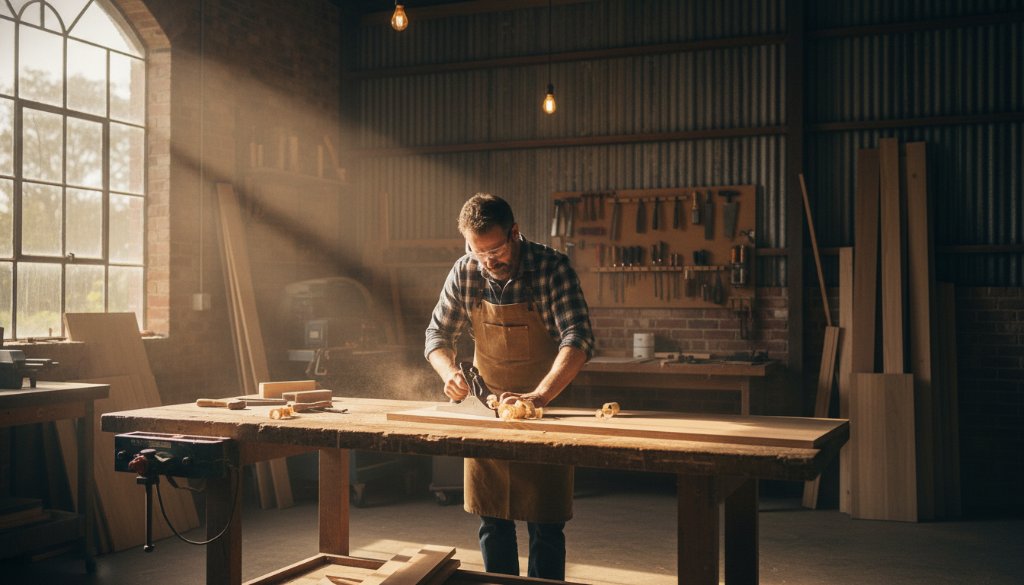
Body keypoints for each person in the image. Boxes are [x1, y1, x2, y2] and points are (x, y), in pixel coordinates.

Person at [425, 193, 595, 580]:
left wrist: (538, 396)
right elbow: (436, 335)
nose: (488, 261)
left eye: (496, 250)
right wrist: (449, 372)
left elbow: (578, 338)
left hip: (544, 408)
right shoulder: (466, 271)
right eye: (477, 250)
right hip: (490, 410)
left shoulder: (552, 268)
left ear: (515, 232)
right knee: (493, 521)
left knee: (546, 524)